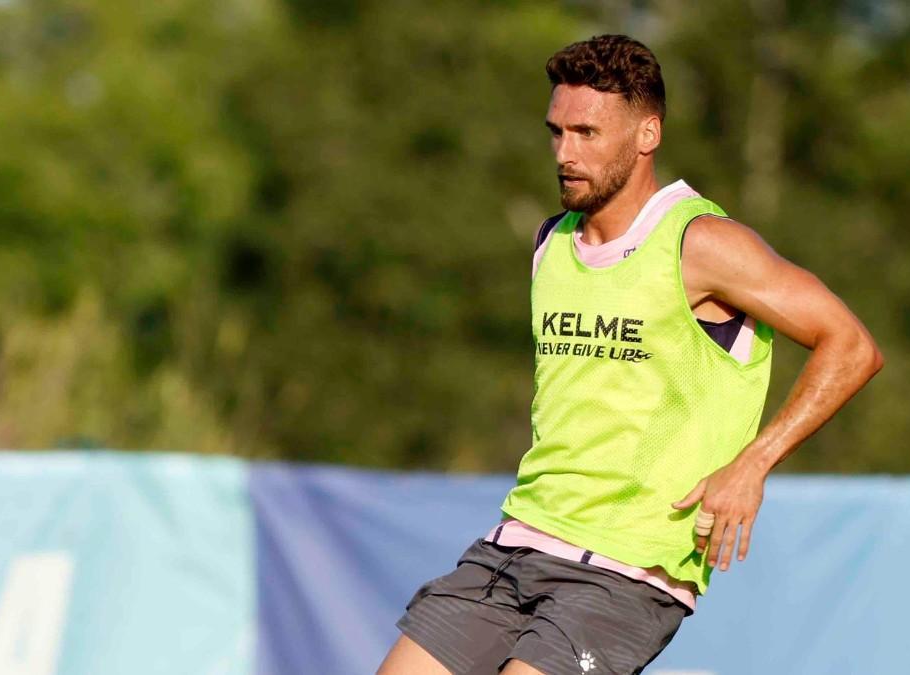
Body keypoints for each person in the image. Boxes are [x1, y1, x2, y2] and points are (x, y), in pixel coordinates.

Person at [376, 34, 883, 675]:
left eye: (587, 133)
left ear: (647, 135)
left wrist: (753, 464)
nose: (565, 153)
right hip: (512, 546)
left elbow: (853, 346)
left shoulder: (703, 243)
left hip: (625, 574)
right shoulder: (550, 242)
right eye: (556, 132)